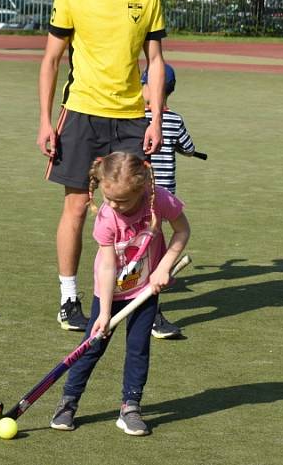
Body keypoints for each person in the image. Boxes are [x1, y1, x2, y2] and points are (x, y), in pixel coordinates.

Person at [38, 0, 167, 332]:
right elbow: (51, 60)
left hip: (130, 116)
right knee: (76, 206)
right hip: (81, 114)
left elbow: (157, 62)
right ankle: (68, 297)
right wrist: (44, 120)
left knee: (144, 210)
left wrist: (155, 119)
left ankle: (148, 299)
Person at [49, 152, 190, 435]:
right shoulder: (107, 217)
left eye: (122, 201)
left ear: (142, 189)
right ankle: (68, 402)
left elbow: (182, 231)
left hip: (144, 290)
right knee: (92, 348)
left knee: (138, 349)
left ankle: (130, 407)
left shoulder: (159, 200)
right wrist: (102, 314)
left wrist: (163, 268)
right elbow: (107, 265)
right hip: (109, 291)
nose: (114, 205)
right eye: (108, 198)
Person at [141, 63, 196, 339]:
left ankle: (144, 305)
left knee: (145, 248)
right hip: (165, 199)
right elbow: (188, 148)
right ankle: (150, 311)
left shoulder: (137, 118)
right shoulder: (175, 120)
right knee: (155, 249)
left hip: (140, 195)